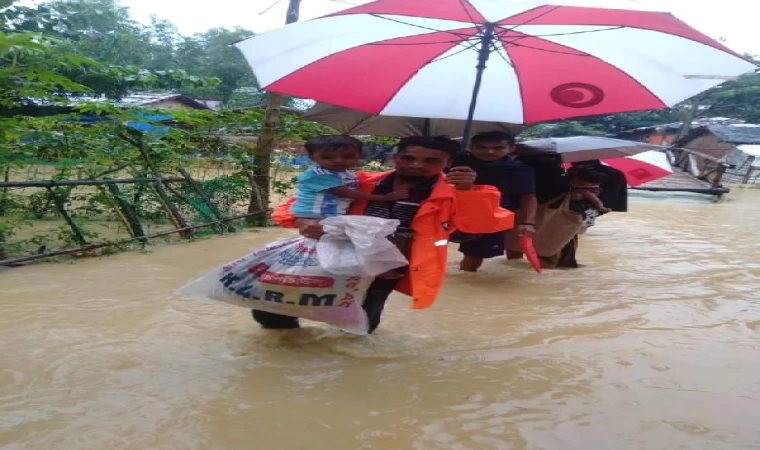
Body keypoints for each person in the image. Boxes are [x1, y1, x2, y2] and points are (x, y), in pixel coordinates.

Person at [259, 135, 514, 334]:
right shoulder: (359, 182)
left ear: (448, 164)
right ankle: (286, 345)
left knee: (359, 322)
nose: (417, 165)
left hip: (390, 263)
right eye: (409, 158)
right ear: (395, 157)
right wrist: (303, 221)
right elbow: (292, 205)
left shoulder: (460, 192)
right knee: (273, 309)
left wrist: (468, 192)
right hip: (335, 253)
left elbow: (483, 226)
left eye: (432, 161)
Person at [451, 131, 538, 272]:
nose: (489, 152)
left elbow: (527, 196)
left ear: (511, 149)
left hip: (491, 217)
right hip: (452, 211)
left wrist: (528, 222)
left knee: (474, 255)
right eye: (482, 147)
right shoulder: (458, 163)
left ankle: (466, 280)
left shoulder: (520, 170)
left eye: (498, 148)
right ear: (471, 147)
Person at [290, 135, 407, 220]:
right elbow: (345, 193)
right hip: (315, 215)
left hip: (329, 215)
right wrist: (384, 198)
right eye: (327, 157)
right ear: (312, 157)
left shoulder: (346, 173)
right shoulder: (319, 174)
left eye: (347, 156)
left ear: (359, 156)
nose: (339, 160)